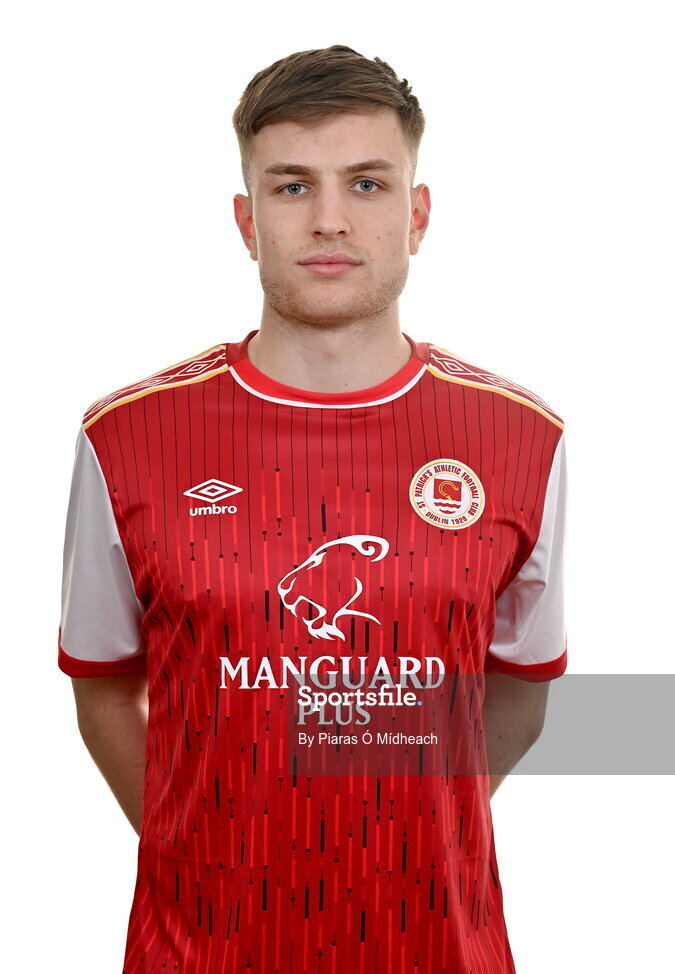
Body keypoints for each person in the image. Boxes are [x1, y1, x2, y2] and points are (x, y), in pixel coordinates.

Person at [58, 44, 568, 974]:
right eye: (292, 188)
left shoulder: (520, 439)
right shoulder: (126, 439)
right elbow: (101, 688)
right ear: (248, 221)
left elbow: (523, 692)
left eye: (366, 184)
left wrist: (418, 825)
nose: (330, 220)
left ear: (416, 215)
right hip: (197, 952)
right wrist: (200, 843)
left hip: (439, 949)